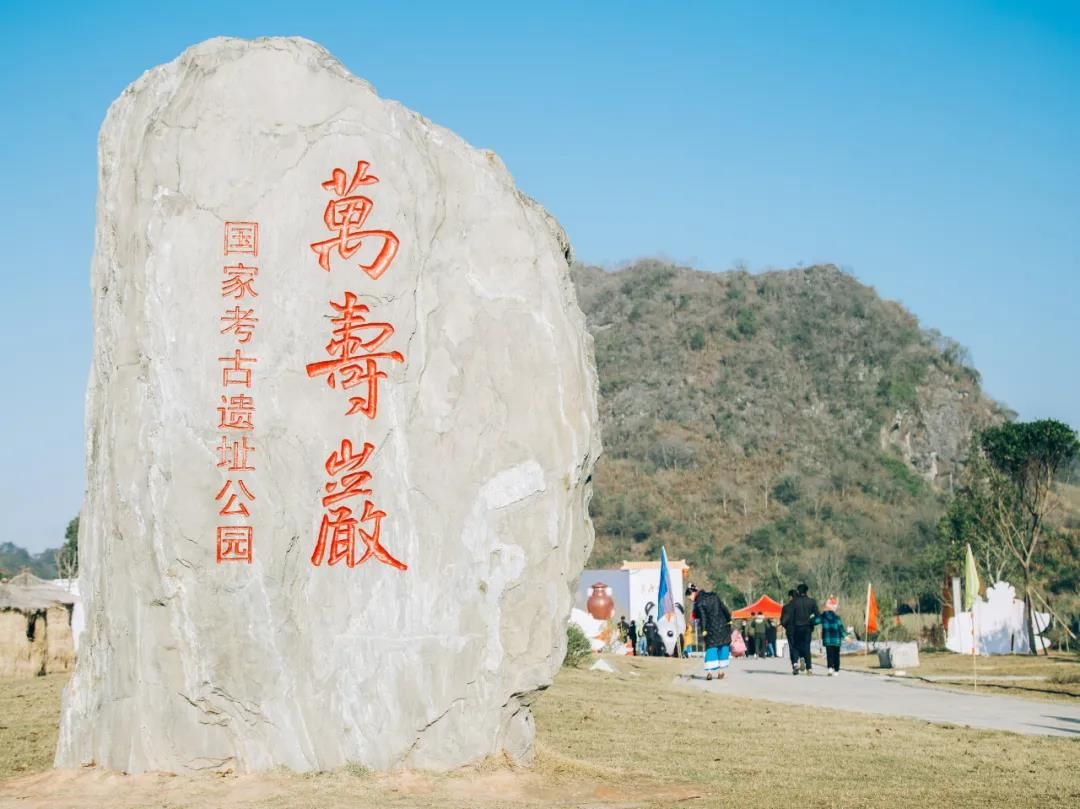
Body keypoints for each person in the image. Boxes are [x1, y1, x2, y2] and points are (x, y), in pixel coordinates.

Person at [687, 583, 732, 680]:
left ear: (692, 593)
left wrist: (703, 629)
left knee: (711, 649)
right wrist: (729, 619)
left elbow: (703, 617)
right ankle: (721, 671)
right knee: (722, 648)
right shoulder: (714, 596)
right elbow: (724, 608)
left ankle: (709, 672)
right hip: (723, 626)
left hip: (710, 629)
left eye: (689, 597)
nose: (690, 599)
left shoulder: (699, 602)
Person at [788, 583, 820, 675]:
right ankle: (809, 668)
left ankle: (795, 664)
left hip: (796, 627)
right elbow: (817, 615)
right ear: (806, 591)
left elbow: (790, 616)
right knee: (807, 647)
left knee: (795, 646)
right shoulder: (812, 601)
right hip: (807, 627)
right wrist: (812, 621)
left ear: (798, 591)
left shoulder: (794, 602)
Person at [820, 596, 844, 675]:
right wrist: (846, 636)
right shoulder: (837, 618)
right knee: (836, 655)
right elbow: (841, 628)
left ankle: (830, 668)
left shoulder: (823, 616)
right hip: (836, 640)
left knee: (829, 654)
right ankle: (836, 670)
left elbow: (815, 620)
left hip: (827, 639)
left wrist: (810, 620)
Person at [780, 589, 797, 668]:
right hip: (801, 629)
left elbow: (782, 621)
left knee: (792, 646)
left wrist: (787, 627)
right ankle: (802, 657)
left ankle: (794, 663)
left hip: (790, 629)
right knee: (800, 645)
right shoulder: (801, 606)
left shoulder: (786, 607)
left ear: (790, 597)